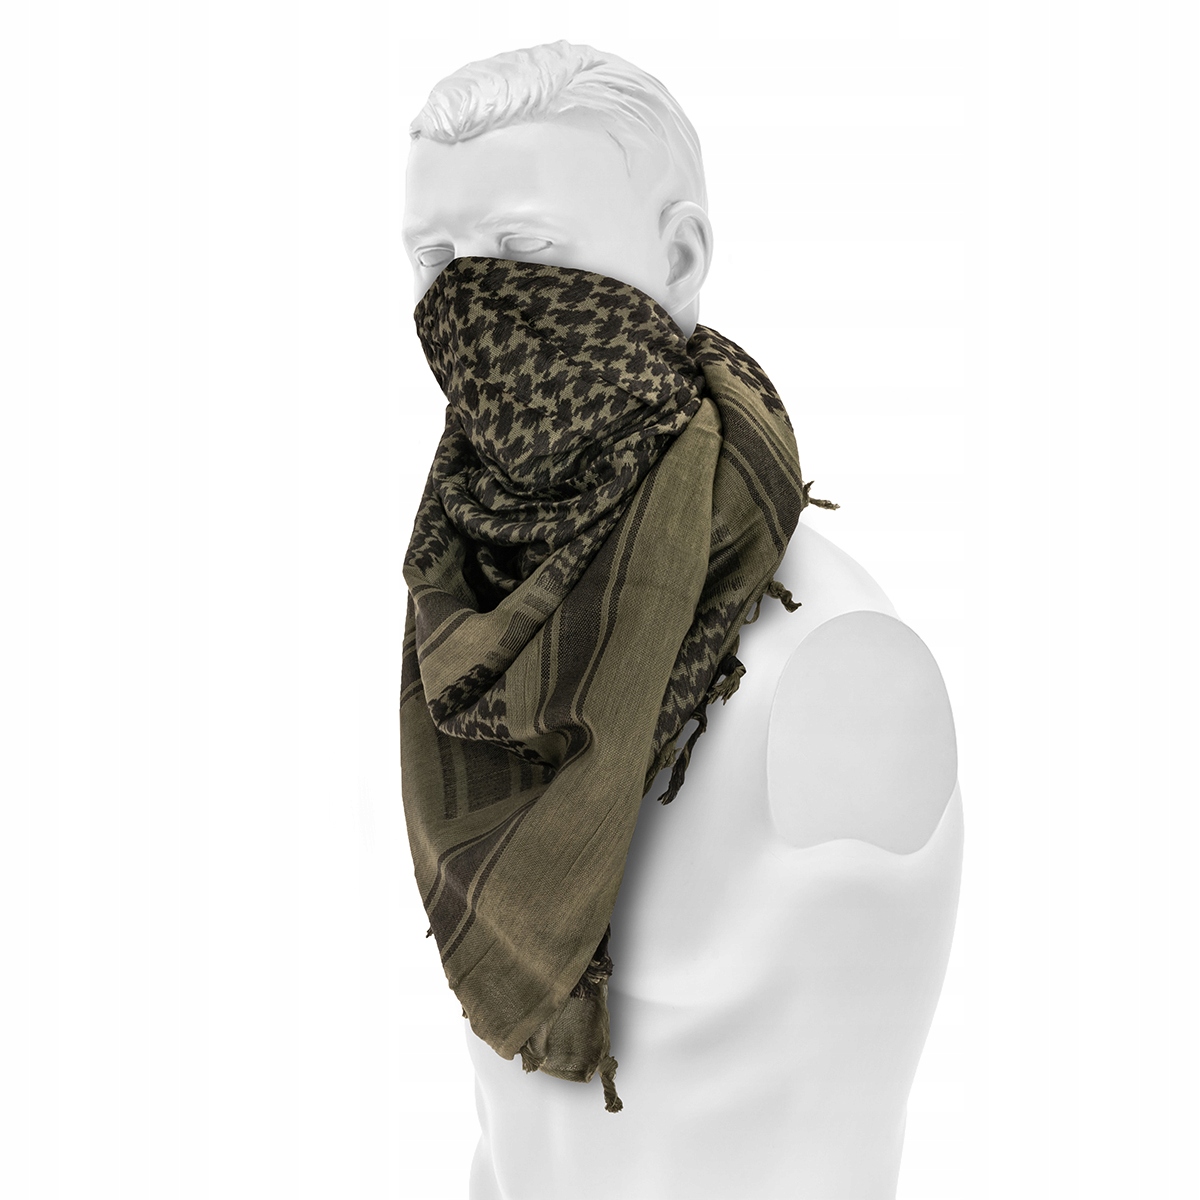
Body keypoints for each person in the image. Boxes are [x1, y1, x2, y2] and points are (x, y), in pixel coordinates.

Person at [401, 39, 962, 1200]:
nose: (467, 304)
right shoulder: (471, 616)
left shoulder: (837, 668)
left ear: (681, 255)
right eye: (434, 258)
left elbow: (835, 1116)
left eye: (524, 249)